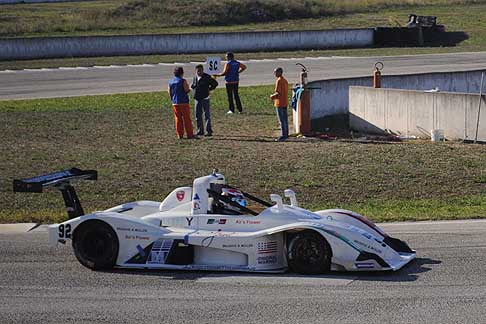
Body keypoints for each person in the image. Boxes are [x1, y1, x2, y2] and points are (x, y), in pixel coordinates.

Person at [168, 66, 195, 139]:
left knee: (178, 119)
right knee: (186, 118)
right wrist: (190, 89)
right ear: (182, 73)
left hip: (175, 102)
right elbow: (186, 90)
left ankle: (179, 134)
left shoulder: (170, 81)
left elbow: (169, 92)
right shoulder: (183, 81)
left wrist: (172, 99)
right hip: (183, 102)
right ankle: (190, 134)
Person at [191, 64, 218, 136]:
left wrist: (209, 90)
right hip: (197, 99)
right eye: (197, 71)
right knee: (198, 115)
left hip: (205, 98)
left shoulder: (207, 77)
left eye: (200, 71)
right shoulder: (195, 77)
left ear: (203, 70)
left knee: (207, 115)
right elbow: (193, 85)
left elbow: (215, 83)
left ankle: (209, 131)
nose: (199, 72)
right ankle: (200, 130)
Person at [270, 67, 289, 141]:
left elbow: (278, 93)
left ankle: (283, 135)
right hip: (285, 102)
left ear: (279, 72)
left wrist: (272, 96)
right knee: (285, 119)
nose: (274, 74)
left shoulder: (279, 81)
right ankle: (286, 133)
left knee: (281, 120)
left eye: (275, 72)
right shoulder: (285, 80)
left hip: (279, 103)